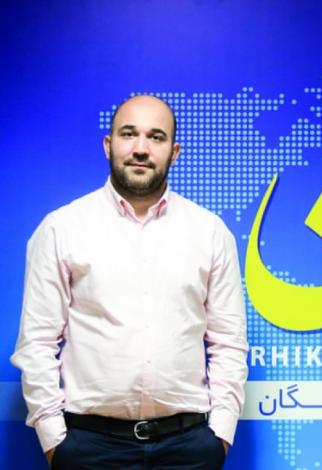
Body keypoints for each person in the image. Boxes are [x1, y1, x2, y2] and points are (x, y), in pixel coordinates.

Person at [11, 95, 249, 469]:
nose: (141, 148)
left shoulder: (210, 232)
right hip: (89, 448)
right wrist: (55, 441)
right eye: (128, 134)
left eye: (156, 137)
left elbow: (228, 343)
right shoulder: (62, 229)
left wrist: (219, 435)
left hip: (189, 449)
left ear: (174, 152)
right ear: (108, 145)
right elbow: (37, 343)